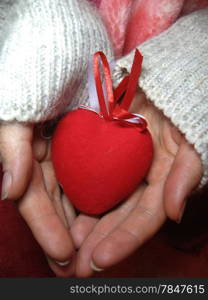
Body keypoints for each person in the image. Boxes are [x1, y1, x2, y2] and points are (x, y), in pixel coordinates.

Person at [0, 0, 207, 278]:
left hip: (173, 152)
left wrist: (198, 54)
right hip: (62, 119)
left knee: (183, 197)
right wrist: (46, 14)